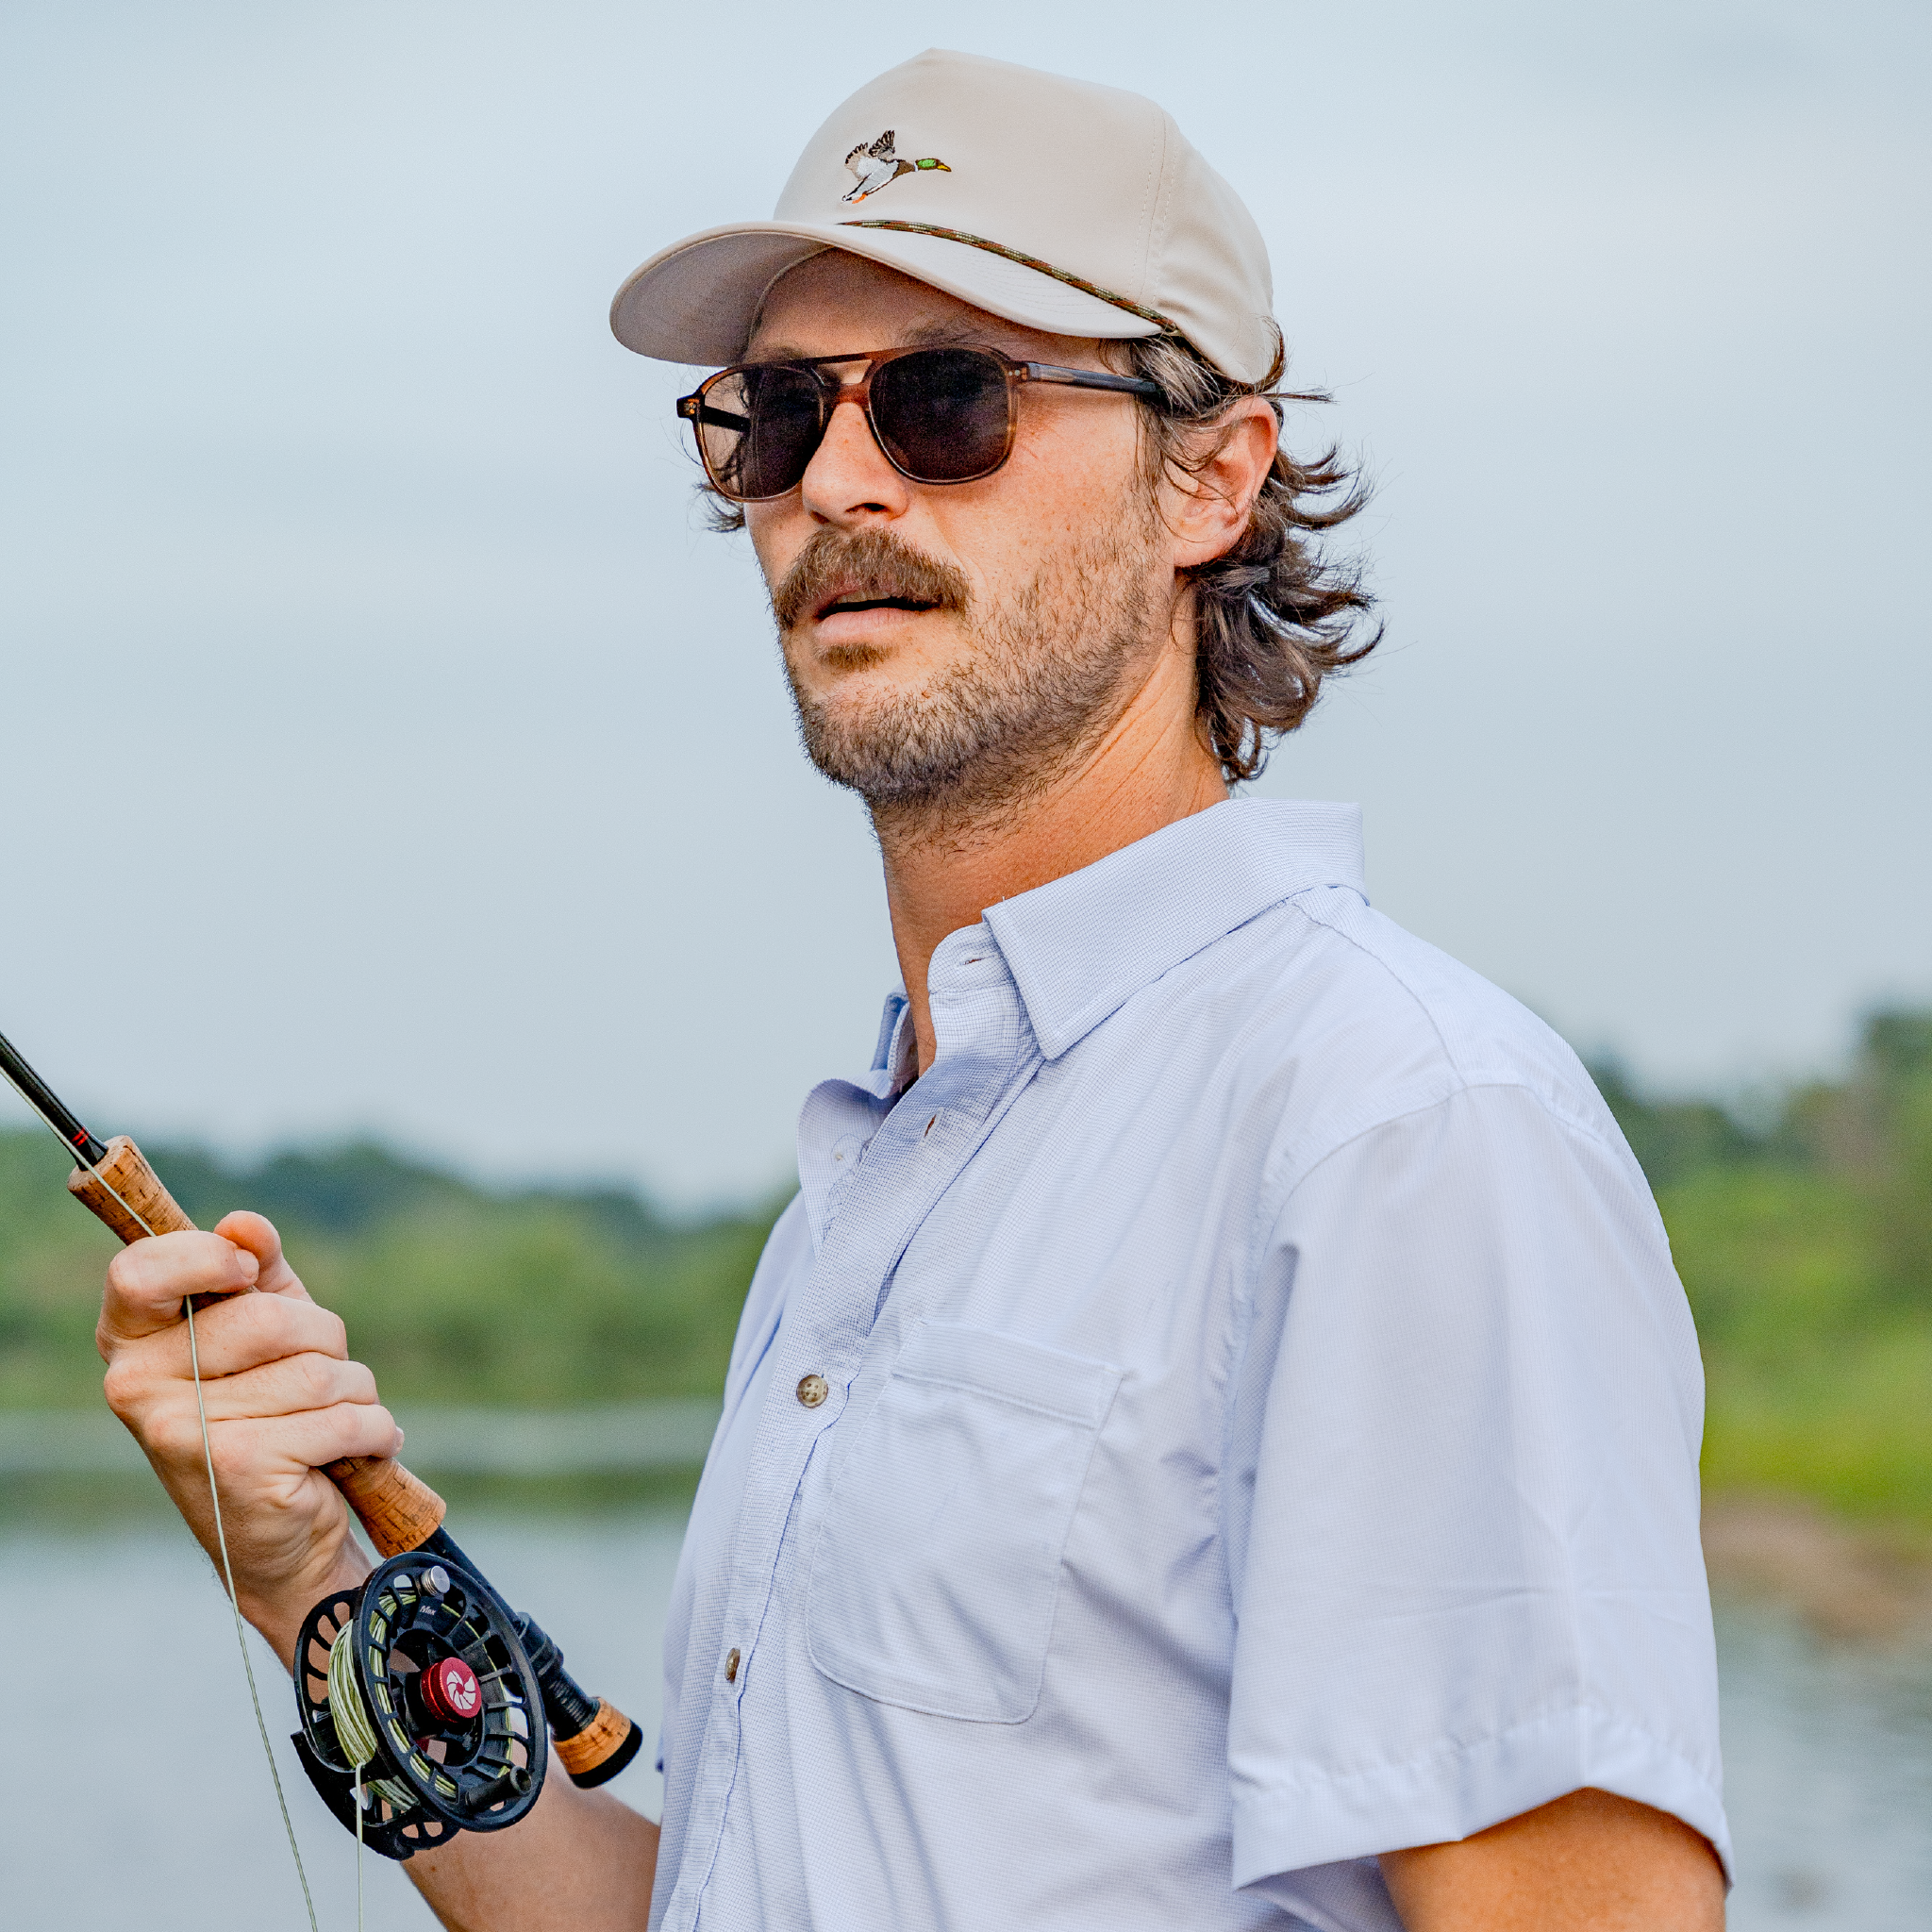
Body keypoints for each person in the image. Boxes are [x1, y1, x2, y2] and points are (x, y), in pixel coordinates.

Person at [96, 47, 1730, 1932]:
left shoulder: (1398, 1127)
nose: (841, 480)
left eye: (947, 400)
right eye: (777, 417)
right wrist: (306, 1575)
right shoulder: (871, 1186)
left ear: (1212, 472)